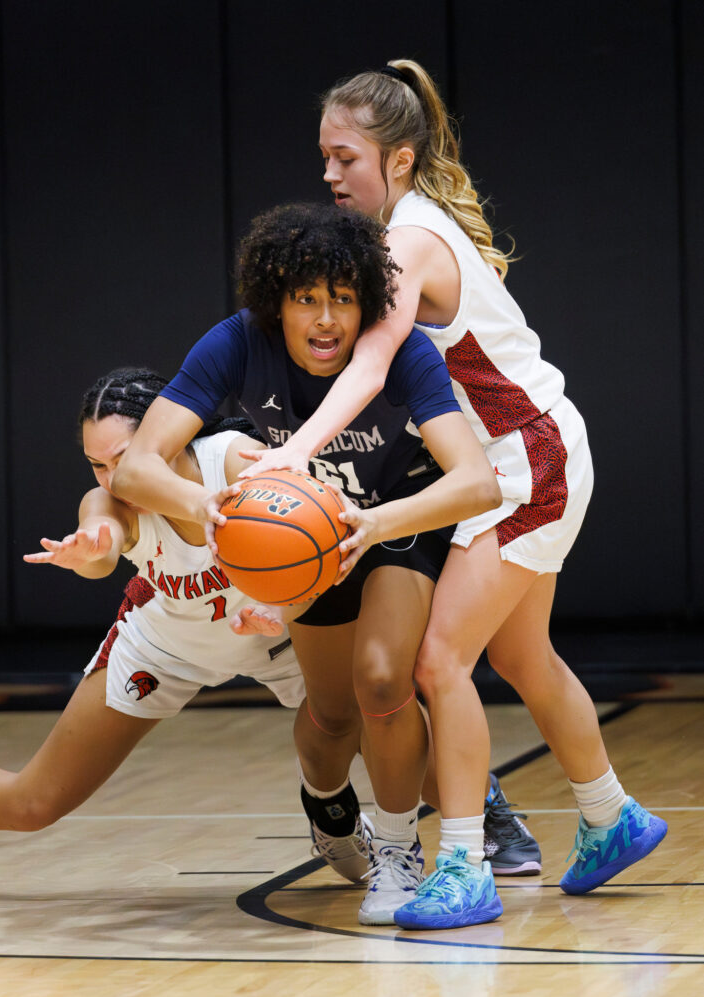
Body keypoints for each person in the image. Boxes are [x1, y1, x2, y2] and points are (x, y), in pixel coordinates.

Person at [235, 60, 667, 929]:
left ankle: (464, 864)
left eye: (344, 157)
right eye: (321, 157)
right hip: (518, 457)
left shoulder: (411, 239)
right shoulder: (410, 226)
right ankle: (610, 815)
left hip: (525, 460)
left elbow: (368, 363)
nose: (328, 175)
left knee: (436, 662)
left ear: (396, 159)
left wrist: (294, 456)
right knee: (521, 658)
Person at [0, 368, 373, 898]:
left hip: (276, 635)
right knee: (33, 803)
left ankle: (331, 806)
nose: (113, 478)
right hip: (166, 645)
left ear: (169, 431)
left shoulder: (241, 463)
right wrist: (92, 548)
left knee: (360, 709)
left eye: (121, 459)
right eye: (95, 464)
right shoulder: (110, 497)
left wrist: (286, 608)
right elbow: (102, 538)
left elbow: (326, 567)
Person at [112, 202, 505, 924]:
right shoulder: (235, 343)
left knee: (384, 680)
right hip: (302, 533)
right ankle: (327, 802)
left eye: (343, 299)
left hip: (392, 520)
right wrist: (203, 506)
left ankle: (396, 850)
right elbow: (134, 470)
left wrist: (373, 523)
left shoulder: (405, 351)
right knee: (329, 718)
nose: (325, 320)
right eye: (305, 299)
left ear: (367, 301)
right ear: (275, 304)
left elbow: (475, 482)